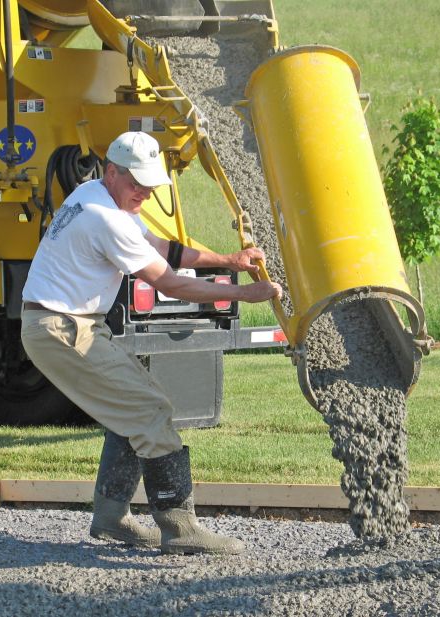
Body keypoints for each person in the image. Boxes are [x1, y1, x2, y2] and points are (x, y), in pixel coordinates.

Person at [21, 131, 282, 555]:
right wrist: (243, 294)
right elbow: (170, 283)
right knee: (150, 410)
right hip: (62, 329)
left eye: (149, 183)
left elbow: (159, 247)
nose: (144, 191)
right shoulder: (104, 217)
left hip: (65, 323)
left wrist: (227, 261)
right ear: (112, 171)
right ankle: (180, 531)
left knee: (135, 410)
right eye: (136, 182)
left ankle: (111, 519)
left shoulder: (97, 195)